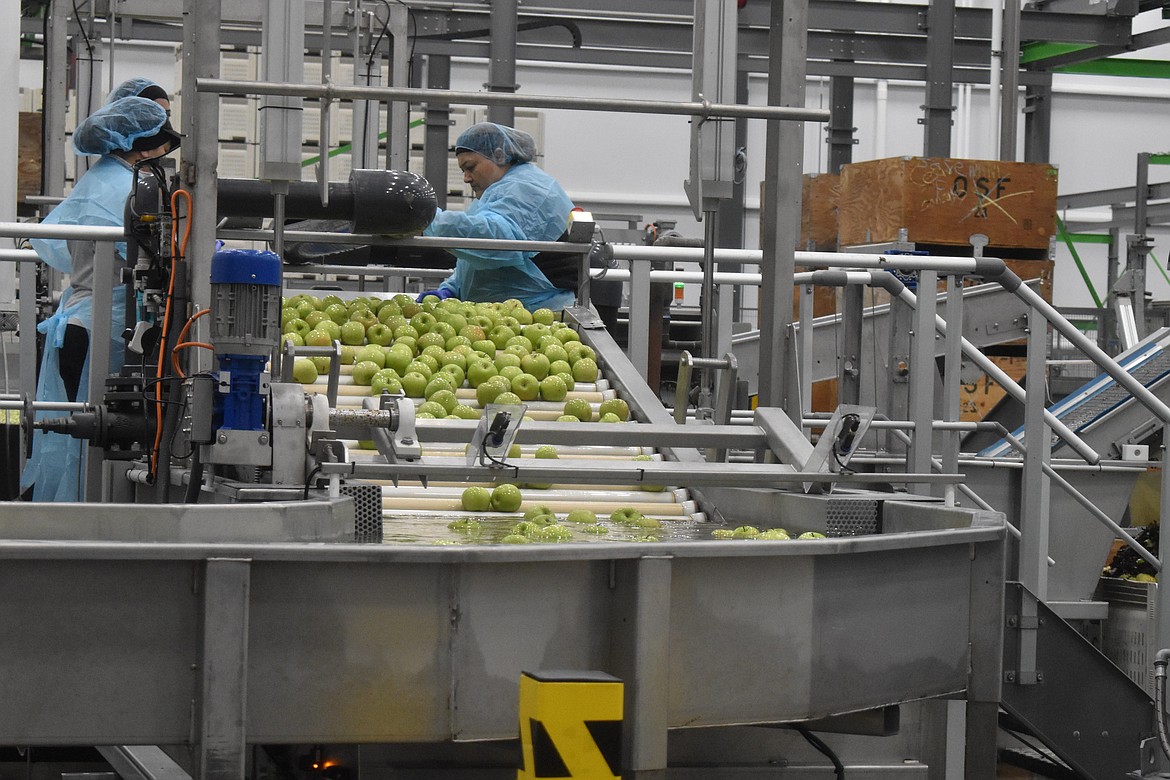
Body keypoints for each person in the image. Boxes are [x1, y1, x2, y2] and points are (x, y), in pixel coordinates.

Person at [21, 94, 181, 502]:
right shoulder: (124, 187)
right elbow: (161, 257)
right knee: (97, 433)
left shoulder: (102, 180)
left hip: (79, 323)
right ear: (142, 144)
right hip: (103, 329)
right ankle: (88, 525)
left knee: (78, 434)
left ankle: (72, 521)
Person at [419, 122, 575, 311]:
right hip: (501, 318)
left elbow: (494, 242)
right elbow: (471, 261)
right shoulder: (493, 193)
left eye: (470, 167)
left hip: (539, 314)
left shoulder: (527, 188)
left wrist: (427, 218)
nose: (466, 178)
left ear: (499, 156)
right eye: (463, 170)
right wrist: (451, 289)